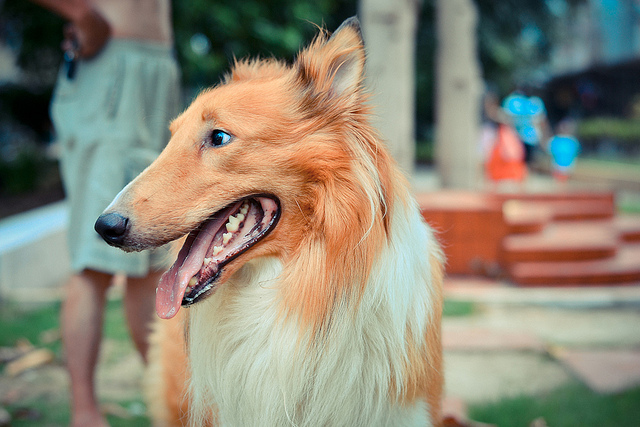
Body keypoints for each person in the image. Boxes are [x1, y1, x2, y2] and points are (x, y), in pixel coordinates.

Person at [27, 1, 180, 426]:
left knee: (149, 258)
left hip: (157, 67)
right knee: (94, 262)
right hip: (113, 64)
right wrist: (81, 13)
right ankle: (85, 413)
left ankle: (167, 399)